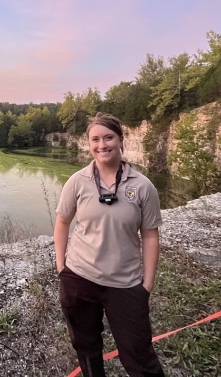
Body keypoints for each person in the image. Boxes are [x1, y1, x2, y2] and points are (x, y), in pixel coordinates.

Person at [54, 113, 165, 377]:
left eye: (108, 138)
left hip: (124, 284)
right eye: (95, 139)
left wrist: (146, 284)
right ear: (88, 143)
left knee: (139, 356)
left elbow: (150, 235)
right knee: (86, 347)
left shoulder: (143, 187)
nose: (102, 145)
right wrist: (62, 268)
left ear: (120, 140)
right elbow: (62, 222)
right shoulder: (77, 181)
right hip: (79, 279)